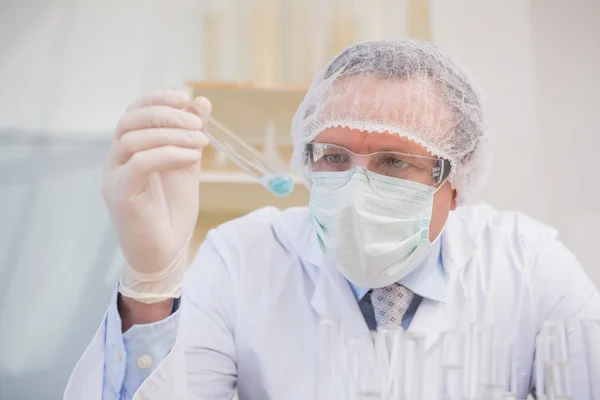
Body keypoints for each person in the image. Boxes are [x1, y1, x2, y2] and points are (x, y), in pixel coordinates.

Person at [64, 39, 599, 400]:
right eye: (335, 157)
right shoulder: (243, 257)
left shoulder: (529, 266)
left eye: (395, 162)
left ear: (456, 183)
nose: (357, 188)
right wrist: (151, 289)